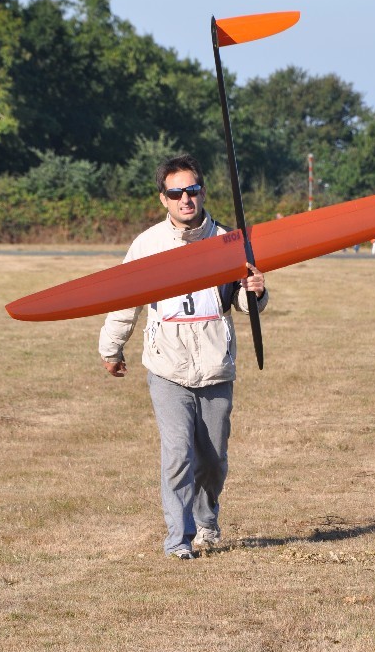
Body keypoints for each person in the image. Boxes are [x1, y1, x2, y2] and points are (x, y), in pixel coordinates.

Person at [99, 154, 268, 560]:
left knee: (212, 460)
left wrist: (256, 291)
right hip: (167, 367)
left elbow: (244, 306)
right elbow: (127, 301)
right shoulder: (148, 245)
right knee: (177, 454)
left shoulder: (229, 241)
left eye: (191, 190)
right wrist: (111, 347)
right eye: (176, 193)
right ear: (164, 199)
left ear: (202, 192)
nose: (185, 199)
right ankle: (178, 539)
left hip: (215, 365)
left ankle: (206, 523)